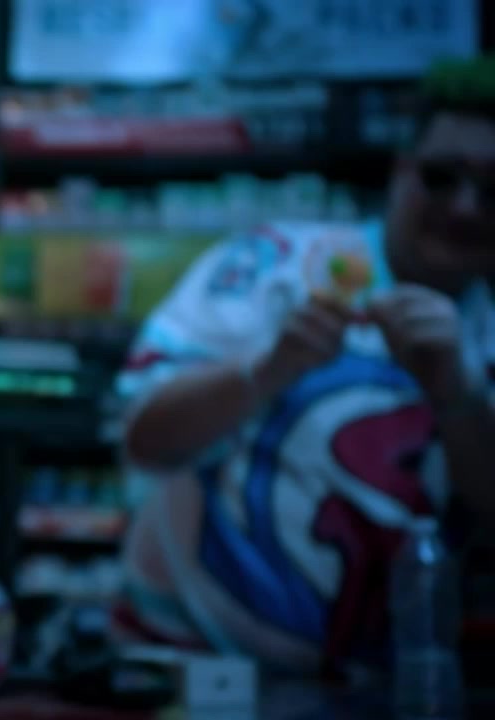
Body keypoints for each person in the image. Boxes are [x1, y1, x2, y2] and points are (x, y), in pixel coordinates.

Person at [111, 59, 495, 675]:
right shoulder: (272, 265)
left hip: (393, 688)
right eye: (442, 177)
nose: (466, 207)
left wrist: (458, 395)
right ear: (401, 170)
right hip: (187, 673)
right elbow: (143, 437)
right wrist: (265, 370)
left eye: (493, 189)